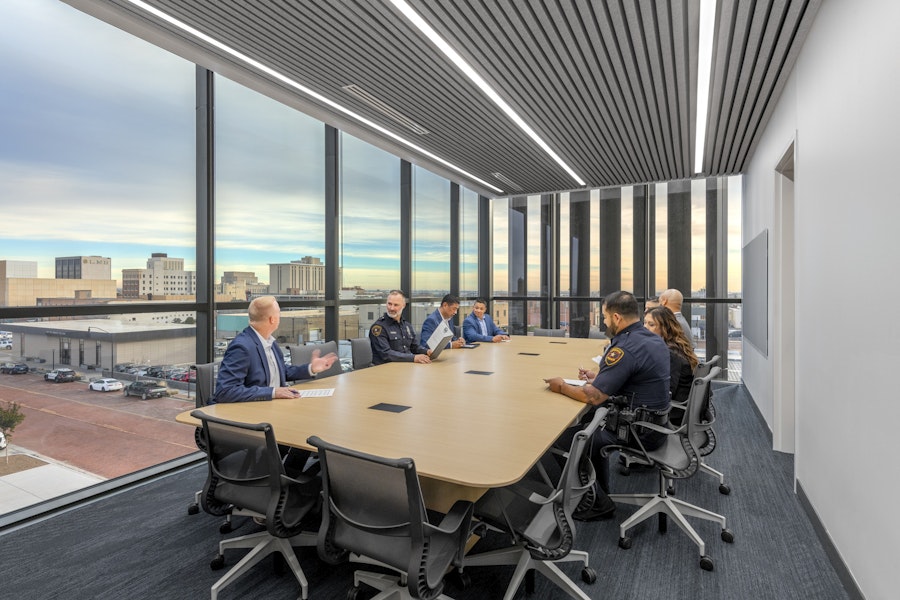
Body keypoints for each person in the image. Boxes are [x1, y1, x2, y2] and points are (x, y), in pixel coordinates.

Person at [544, 290, 670, 520]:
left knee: (568, 439)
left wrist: (561, 386)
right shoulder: (651, 339)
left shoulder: (624, 348)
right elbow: (634, 378)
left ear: (617, 318)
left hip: (638, 431)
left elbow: (593, 397)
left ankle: (596, 502)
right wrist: (600, 378)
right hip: (658, 423)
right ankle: (598, 489)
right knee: (588, 424)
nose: (603, 321)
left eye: (604, 316)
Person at [213, 295, 338, 403]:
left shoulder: (269, 341)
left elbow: (281, 372)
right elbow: (225, 391)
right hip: (252, 413)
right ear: (272, 319)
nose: (280, 316)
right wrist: (273, 392)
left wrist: (311, 368)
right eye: (279, 313)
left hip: (274, 407)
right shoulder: (242, 347)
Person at [644, 306, 698, 409]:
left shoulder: (670, 354)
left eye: (651, 324)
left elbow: (667, 391)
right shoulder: (676, 347)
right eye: (645, 323)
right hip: (683, 406)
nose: (645, 328)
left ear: (665, 328)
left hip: (674, 411)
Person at [370, 290, 432, 365]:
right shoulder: (378, 327)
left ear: (404, 305)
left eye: (396, 305)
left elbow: (414, 347)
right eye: (389, 304)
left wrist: (427, 351)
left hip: (407, 367)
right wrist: (413, 358)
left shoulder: (407, 325)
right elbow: (386, 354)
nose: (391, 308)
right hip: (387, 370)